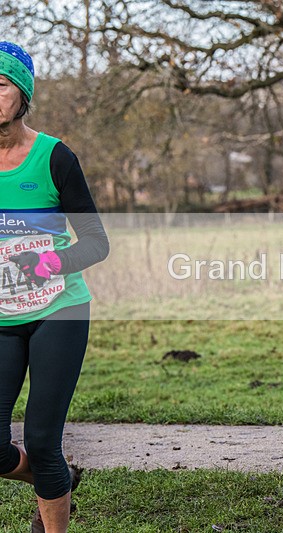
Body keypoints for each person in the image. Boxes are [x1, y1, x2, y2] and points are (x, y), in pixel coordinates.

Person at [0, 42, 109, 532]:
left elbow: (96, 243)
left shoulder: (54, 157)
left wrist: (47, 263)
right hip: (1, 317)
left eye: (0, 85)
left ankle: (52, 498)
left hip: (58, 311)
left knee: (43, 442)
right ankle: (56, 478)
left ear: (22, 95)